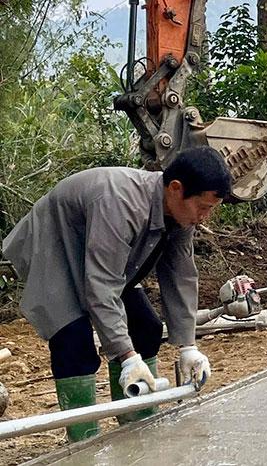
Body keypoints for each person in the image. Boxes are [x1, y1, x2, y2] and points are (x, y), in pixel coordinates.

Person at [1, 147, 229, 441]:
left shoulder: (183, 214)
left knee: (145, 328)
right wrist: (126, 355)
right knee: (74, 340)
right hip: (55, 243)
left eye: (212, 209)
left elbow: (181, 275)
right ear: (175, 189)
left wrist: (188, 347)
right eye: (203, 207)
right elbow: (102, 284)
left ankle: (137, 426)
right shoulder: (121, 202)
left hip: (102, 256)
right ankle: (84, 442)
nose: (205, 217)